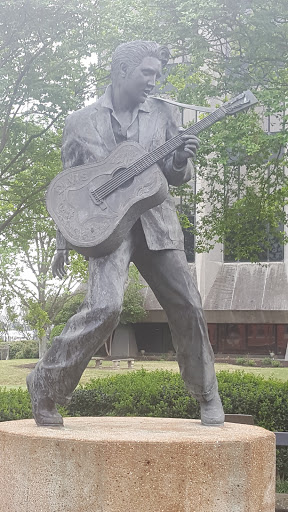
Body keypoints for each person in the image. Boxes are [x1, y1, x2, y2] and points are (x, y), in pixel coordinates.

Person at [27, 41, 224, 427]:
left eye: (157, 74)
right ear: (121, 71)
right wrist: (63, 240)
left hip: (156, 222)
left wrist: (181, 159)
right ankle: (46, 385)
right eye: (146, 73)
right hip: (105, 228)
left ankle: (207, 394)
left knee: (187, 302)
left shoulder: (164, 114)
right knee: (105, 307)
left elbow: (175, 174)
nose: (154, 81)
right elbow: (70, 186)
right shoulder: (79, 122)